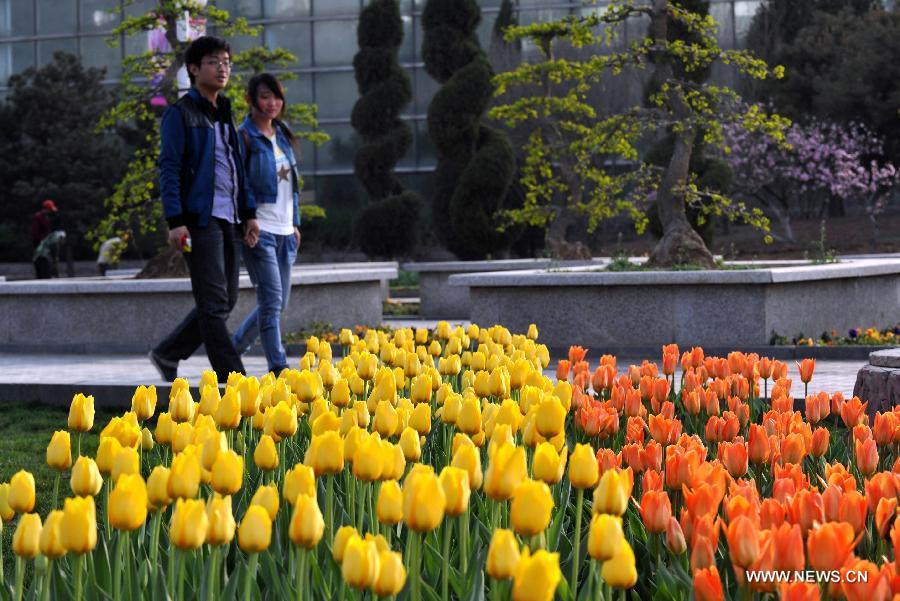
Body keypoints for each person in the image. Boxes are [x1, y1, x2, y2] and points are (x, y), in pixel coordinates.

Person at [148, 36, 259, 382]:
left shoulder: (225, 113)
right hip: (199, 219)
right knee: (212, 303)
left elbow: (237, 169)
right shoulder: (180, 114)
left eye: (226, 61)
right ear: (194, 70)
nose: (223, 67)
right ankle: (234, 379)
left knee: (223, 302)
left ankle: (167, 352)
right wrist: (175, 221)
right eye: (214, 61)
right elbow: (169, 169)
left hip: (229, 218)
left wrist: (249, 212)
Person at [231, 73, 303, 375]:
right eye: (264, 96)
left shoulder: (283, 134)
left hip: (287, 231)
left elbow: (293, 186)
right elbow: (240, 183)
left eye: (276, 96)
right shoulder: (243, 136)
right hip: (260, 230)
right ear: (250, 99)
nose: (272, 102)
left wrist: (295, 224)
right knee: (271, 300)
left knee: (278, 303)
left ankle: (232, 349)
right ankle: (279, 366)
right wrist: (249, 220)